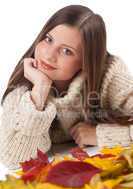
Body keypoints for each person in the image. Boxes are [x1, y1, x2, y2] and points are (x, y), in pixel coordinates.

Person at [0, 5, 133, 170]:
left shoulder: (110, 76)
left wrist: (99, 135)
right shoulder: (22, 90)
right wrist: (40, 89)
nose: (49, 55)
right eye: (48, 39)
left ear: (86, 61)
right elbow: (14, 159)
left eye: (66, 51)